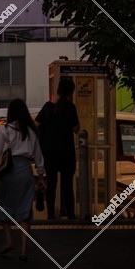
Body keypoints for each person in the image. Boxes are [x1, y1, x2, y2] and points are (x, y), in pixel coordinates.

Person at [0, 98, 44, 260]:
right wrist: (41, 176)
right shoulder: (31, 131)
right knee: (24, 210)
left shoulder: (4, 130)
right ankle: (23, 250)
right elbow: (38, 156)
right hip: (26, 171)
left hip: (9, 172)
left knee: (5, 205)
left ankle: (8, 242)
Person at [36, 76, 80, 220]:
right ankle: (71, 214)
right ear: (71, 92)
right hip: (66, 152)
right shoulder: (70, 108)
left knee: (51, 184)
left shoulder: (48, 107)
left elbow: (36, 124)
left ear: (58, 90)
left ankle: (50, 214)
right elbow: (77, 129)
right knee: (67, 185)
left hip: (49, 152)